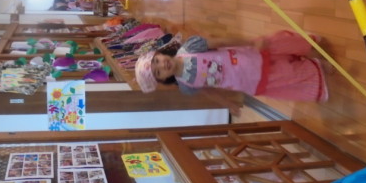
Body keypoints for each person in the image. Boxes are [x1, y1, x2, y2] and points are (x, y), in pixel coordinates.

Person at [134, 30, 329, 109]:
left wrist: (249, 42)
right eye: (158, 72)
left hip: (248, 56)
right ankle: (316, 68)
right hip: (247, 81)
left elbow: (221, 41)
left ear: (160, 53)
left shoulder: (190, 48)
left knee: (279, 47)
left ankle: (311, 49)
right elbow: (209, 90)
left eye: (157, 61)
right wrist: (227, 103)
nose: (162, 65)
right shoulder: (186, 86)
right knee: (288, 76)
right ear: (163, 79)